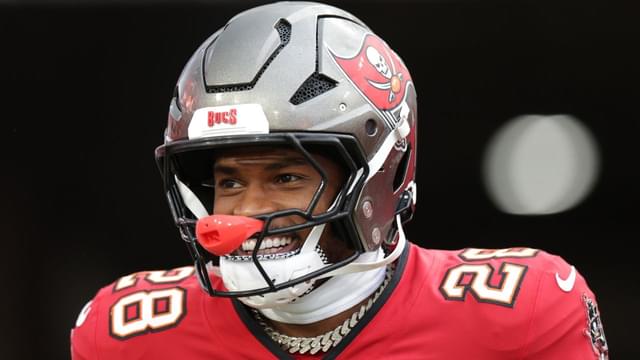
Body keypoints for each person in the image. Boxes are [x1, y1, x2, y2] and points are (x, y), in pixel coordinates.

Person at [70, 2, 608, 359]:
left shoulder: (523, 316)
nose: (246, 212)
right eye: (229, 182)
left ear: (381, 173)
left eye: (284, 176)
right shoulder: (124, 337)